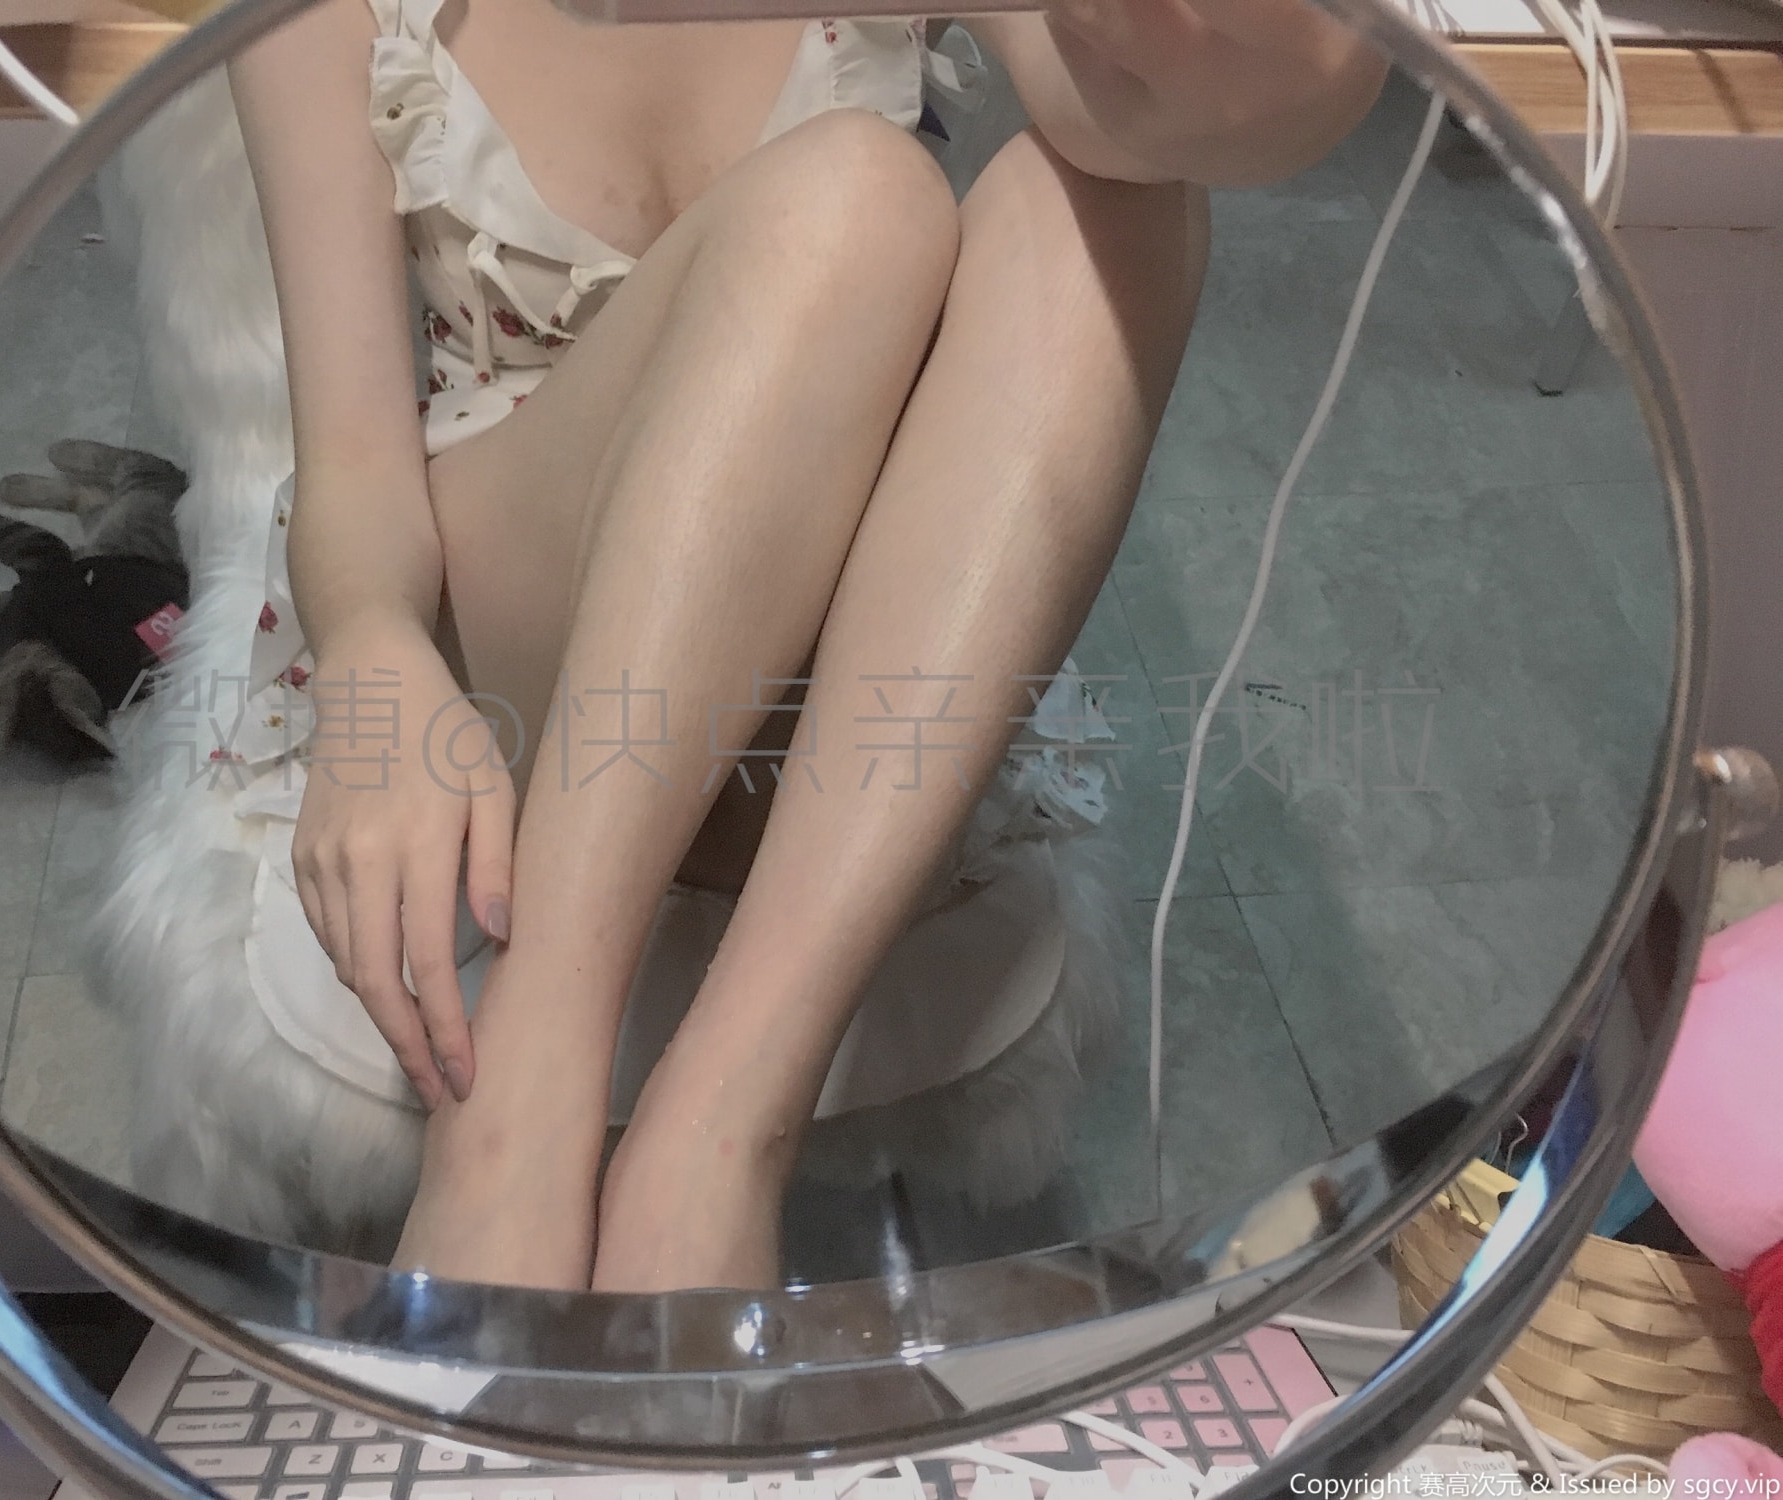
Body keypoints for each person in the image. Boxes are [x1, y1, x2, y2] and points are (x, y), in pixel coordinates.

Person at [223, 0, 1385, 1294]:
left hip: (821, 681)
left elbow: (1165, 117)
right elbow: (354, 464)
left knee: (1116, 208)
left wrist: (1307, 58)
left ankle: (721, 1141)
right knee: (852, 200)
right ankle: (514, 1112)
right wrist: (371, 640)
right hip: (527, 651)